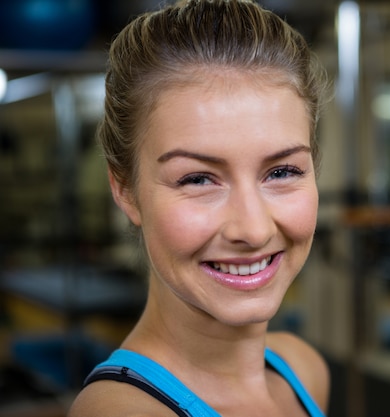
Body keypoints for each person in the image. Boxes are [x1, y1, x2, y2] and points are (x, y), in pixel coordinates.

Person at [68, 0, 330, 415]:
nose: (254, 229)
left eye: (281, 172)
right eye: (197, 179)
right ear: (125, 191)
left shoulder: (302, 370)